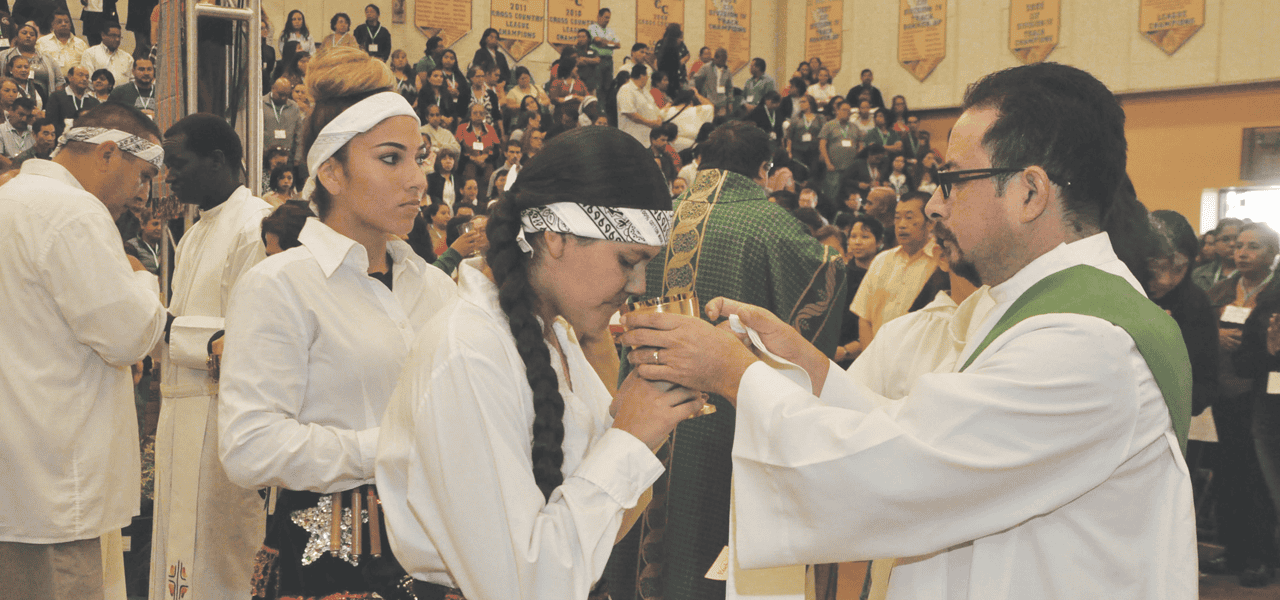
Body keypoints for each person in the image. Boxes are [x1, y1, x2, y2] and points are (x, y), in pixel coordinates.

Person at [621, 61, 1196, 600]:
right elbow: (926, 434)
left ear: (1030, 192)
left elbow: (903, 473)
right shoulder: (1035, 309)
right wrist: (811, 367)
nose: (935, 207)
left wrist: (733, 372)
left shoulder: (1088, 341)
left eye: (953, 180)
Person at [376, 124, 702, 600]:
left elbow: (603, 533)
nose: (638, 286)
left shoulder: (556, 336)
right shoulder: (468, 350)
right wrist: (629, 439)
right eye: (627, 260)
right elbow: (523, 586)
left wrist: (636, 421)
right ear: (556, 237)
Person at [218, 46, 456, 600]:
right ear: (331, 172)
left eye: (419, 158)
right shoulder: (281, 285)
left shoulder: (435, 287)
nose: (417, 180)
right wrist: (390, 448)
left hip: (437, 542)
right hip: (329, 550)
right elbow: (250, 445)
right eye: (391, 159)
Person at [605, 120, 846, 600]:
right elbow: (828, 270)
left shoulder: (660, 217)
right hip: (726, 416)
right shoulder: (771, 224)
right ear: (764, 169)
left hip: (641, 402)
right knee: (708, 535)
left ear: (701, 160)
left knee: (640, 513)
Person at [0, 101, 166, 600]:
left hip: (19, 471)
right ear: (108, 153)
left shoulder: (9, 198)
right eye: (143, 176)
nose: (142, 194)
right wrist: (143, 278)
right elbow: (128, 334)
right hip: (55, 485)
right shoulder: (73, 211)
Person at [148, 113, 274, 600]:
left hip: (224, 414)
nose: (168, 176)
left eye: (178, 163)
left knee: (222, 554)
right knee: (178, 551)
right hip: (182, 409)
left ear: (217, 160)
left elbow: (252, 334)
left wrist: (165, 329)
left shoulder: (254, 225)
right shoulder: (197, 229)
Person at [1204, 221, 1280, 586]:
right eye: (1239, 246)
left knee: (1259, 479)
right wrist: (1215, 335)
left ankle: (1262, 557)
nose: (1242, 253)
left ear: (1272, 254)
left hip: (1263, 395)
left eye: (1253, 247)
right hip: (1225, 392)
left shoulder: (1276, 292)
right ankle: (1233, 551)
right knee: (1228, 474)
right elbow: (1198, 330)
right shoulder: (1220, 290)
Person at [849, 191, 939, 346]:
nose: (901, 225)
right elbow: (864, 318)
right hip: (877, 354)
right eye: (897, 218)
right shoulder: (881, 260)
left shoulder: (941, 263)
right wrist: (870, 356)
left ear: (930, 223)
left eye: (909, 218)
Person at [834, 213, 882, 366]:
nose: (857, 242)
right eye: (853, 237)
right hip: (837, 352)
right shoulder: (840, 274)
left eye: (865, 237)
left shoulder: (884, 276)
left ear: (879, 242)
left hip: (869, 353)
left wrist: (848, 350)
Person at [817, 99, 860, 212]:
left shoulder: (854, 127)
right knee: (832, 195)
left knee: (849, 196)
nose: (847, 113)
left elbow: (860, 143)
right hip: (834, 167)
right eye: (844, 110)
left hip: (850, 169)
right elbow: (822, 145)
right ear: (837, 111)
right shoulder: (829, 125)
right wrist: (827, 162)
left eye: (849, 111)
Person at [1, 21, 62, 95]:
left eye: (32, 34)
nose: (28, 36)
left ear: (36, 39)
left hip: (45, 99)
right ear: (16, 37)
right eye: (24, 33)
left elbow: (60, 80)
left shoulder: (47, 58)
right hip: (11, 98)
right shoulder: (3, 56)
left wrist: (55, 99)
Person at [1192, 218, 1242, 290]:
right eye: (1225, 239)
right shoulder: (1198, 274)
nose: (1232, 244)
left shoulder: (1252, 276)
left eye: (1237, 239)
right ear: (1215, 243)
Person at [48, 65, 100, 134]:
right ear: (70, 77)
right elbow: (51, 124)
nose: (84, 79)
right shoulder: (56, 97)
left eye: (87, 77)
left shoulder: (94, 102)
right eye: (80, 75)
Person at [616, 63, 660, 146]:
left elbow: (654, 107)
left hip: (648, 138)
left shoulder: (645, 91)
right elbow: (630, 113)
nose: (648, 79)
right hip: (633, 138)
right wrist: (649, 123)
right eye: (647, 76)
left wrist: (658, 119)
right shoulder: (626, 89)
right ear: (642, 76)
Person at [263, 76, 303, 163]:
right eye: (280, 94)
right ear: (273, 88)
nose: (283, 98)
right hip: (264, 158)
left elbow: (299, 135)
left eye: (287, 95)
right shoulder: (261, 105)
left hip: (288, 159)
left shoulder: (294, 107)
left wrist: (297, 158)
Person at [80, 21, 133, 87]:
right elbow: (88, 79)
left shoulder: (127, 57)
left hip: (122, 93)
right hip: (96, 92)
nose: (117, 39)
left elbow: (132, 81)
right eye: (113, 36)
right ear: (103, 35)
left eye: (119, 36)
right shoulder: (90, 53)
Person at [37, 10, 88, 77]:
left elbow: (86, 66)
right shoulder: (42, 42)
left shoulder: (81, 43)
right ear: (53, 25)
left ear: (70, 25)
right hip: (49, 80)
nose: (64, 24)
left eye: (66, 22)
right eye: (59, 22)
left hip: (74, 81)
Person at [588, 8, 620, 96]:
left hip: (609, 60)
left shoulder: (610, 31)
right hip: (598, 60)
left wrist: (604, 42)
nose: (607, 20)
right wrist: (611, 43)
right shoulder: (592, 28)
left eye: (609, 18)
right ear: (599, 16)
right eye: (606, 17)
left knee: (608, 86)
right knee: (598, 86)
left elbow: (618, 45)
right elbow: (597, 40)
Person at [693, 47, 733, 115]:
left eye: (725, 60)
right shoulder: (706, 68)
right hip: (708, 104)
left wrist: (730, 102)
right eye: (722, 60)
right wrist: (697, 94)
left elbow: (729, 88)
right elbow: (695, 79)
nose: (724, 63)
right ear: (715, 58)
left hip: (722, 105)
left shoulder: (727, 71)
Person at [653, 23, 689, 93]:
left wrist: (682, 61)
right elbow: (657, 60)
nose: (681, 40)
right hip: (668, 79)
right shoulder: (664, 45)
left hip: (680, 77)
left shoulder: (680, 44)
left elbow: (687, 55)